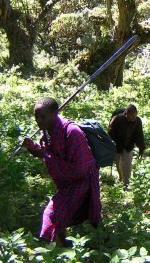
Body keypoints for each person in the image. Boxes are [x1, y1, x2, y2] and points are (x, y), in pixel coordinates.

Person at [22, 97, 101, 247]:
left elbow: (81, 167)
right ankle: (62, 245)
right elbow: (47, 153)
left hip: (83, 181)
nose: (38, 120)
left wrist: (49, 158)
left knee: (54, 213)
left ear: (55, 114)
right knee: (59, 214)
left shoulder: (72, 132)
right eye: (36, 116)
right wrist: (32, 147)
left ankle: (87, 245)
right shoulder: (48, 133)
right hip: (67, 183)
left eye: (42, 116)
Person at [108, 104, 146, 190]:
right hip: (117, 144)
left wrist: (141, 148)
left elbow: (139, 134)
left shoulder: (137, 121)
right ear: (126, 114)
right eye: (131, 116)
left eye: (135, 116)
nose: (133, 118)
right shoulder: (117, 119)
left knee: (127, 164)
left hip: (128, 144)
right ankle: (121, 177)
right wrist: (111, 146)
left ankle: (126, 184)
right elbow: (110, 133)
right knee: (117, 162)